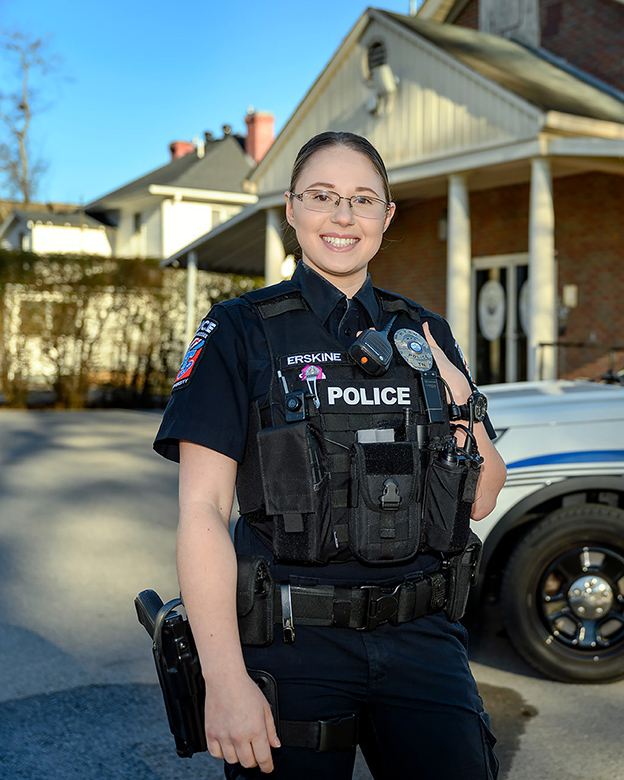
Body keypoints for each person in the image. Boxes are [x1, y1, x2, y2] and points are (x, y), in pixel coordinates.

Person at [154, 130, 506, 779]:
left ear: (386, 217)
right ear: (291, 207)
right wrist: (225, 679)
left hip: (423, 637)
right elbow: (202, 511)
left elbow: (481, 496)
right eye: (323, 196)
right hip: (291, 645)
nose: (343, 216)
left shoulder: (422, 331)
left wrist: (459, 399)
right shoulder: (238, 329)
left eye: (363, 199)